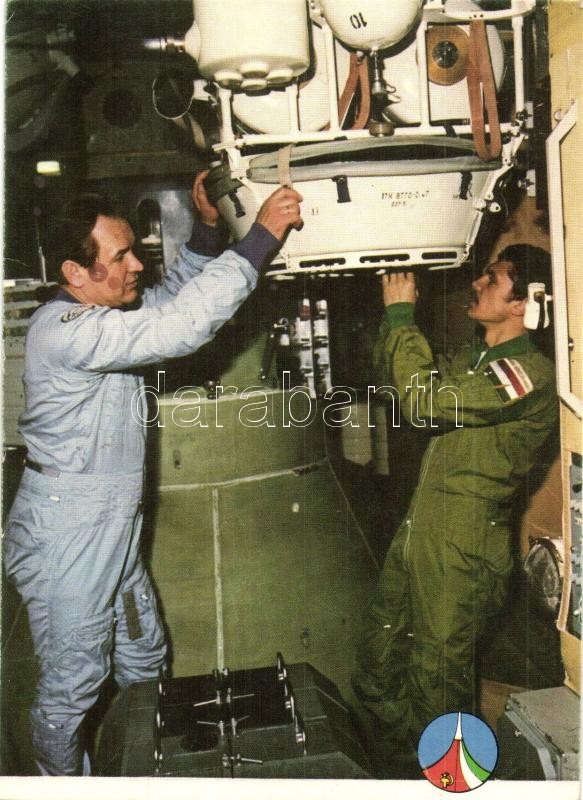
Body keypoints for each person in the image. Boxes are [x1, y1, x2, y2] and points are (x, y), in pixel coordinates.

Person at [2, 171, 303, 776]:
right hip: (70, 533)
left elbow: (169, 302)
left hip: (108, 524)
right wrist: (261, 237)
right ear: (75, 272)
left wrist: (208, 229)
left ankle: (147, 768)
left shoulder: (102, 315)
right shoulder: (64, 333)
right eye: (121, 256)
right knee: (70, 689)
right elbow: (180, 325)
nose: (137, 264)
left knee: (144, 654)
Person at [352, 244, 558, 777]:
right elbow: (401, 388)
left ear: (524, 304)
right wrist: (391, 323)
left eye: (493, 279)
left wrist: (403, 315)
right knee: (380, 666)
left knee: (438, 684)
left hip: (463, 546)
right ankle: (406, 774)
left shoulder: (527, 373)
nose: (477, 284)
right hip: (423, 532)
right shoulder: (474, 362)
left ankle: (453, 783)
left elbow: (424, 399)